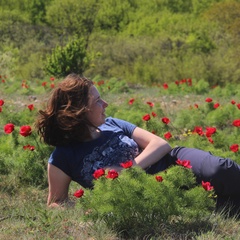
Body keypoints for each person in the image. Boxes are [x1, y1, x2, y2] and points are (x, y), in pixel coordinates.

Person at [36, 73, 240, 216]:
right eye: (98, 101)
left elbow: (160, 144)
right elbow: (55, 202)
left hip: (172, 163)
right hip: (148, 195)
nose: (105, 104)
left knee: (222, 169)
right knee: (209, 206)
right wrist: (88, 206)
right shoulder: (62, 158)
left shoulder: (113, 123)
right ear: (79, 110)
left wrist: (127, 169)